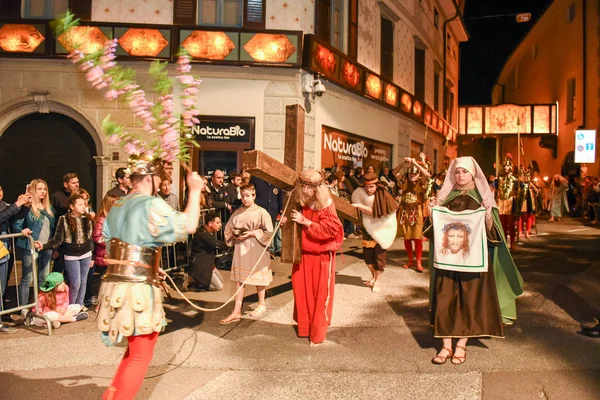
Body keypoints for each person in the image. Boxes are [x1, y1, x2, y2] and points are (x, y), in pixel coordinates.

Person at [97, 157, 204, 400]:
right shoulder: (149, 204)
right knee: (140, 355)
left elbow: (113, 243)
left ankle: (111, 396)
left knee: (134, 350)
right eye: (158, 179)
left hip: (115, 285)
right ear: (149, 179)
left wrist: (149, 265)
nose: (159, 183)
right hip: (136, 289)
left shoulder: (118, 205)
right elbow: (189, 225)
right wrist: (195, 190)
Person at [426, 156, 523, 365]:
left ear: (473, 174)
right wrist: (431, 213)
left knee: (469, 301)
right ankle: (445, 346)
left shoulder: (483, 198)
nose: (460, 176)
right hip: (448, 260)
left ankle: (461, 344)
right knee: (445, 299)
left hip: (474, 260)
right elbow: (434, 232)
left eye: (465, 172)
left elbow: (494, 236)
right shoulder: (446, 198)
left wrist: (488, 217)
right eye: (457, 172)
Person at [284, 170, 344, 346]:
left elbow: (331, 229)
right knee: (302, 293)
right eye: (302, 185)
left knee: (319, 295)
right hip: (303, 256)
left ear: (317, 188)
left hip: (321, 257)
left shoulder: (326, 203)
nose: (304, 189)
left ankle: (317, 334)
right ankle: (305, 329)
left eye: (308, 186)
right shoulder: (300, 200)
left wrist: (306, 222)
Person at [220, 184, 273, 324]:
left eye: (248, 196)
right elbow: (228, 228)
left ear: (254, 196)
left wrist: (252, 233)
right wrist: (233, 234)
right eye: (243, 196)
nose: (245, 199)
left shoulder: (262, 212)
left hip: (256, 247)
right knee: (240, 279)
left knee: (257, 276)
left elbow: (269, 232)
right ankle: (237, 311)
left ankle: (261, 303)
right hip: (241, 248)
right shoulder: (237, 212)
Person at [35, 193, 94, 307]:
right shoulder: (64, 219)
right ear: (72, 206)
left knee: (83, 282)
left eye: (84, 204)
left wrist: (93, 256)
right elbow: (57, 239)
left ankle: (79, 305)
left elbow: (90, 239)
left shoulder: (87, 219)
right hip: (71, 255)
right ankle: (71, 305)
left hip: (86, 254)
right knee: (75, 283)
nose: (83, 207)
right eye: (80, 204)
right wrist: (44, 245)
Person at [351, 172, 398, 293]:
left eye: (371, 187)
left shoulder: (383, 195)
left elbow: (374, 212)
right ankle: (374, 276)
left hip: (381, 230)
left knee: (379, 257)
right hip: (368, 229)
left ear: (376, 185)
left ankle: (377, 281)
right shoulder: (361, 193)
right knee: (368, 256)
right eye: (366, 186)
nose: (368, 189)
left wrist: (359, 206)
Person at [12, 179, 55, 309]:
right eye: (39, 189)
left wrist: (53, 246)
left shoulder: (49, 208)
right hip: (30, 247)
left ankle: (41, 306)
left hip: (46, 247)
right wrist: (22, 231)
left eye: (44, 189)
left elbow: (52, 229)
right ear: (33, 190)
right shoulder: (27, 208)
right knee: (27, 279)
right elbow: (16, 225)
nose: (43, 192)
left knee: (44, 278)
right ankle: (24, 309)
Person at [0, 189, 32, 334]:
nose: (0, 192)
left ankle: (3, 314)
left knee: (2, 286)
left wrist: (24, 207)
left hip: (5, 250)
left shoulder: (4, 204)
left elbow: (14, 217)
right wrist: (17, 203)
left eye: (0, 189)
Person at [394, 157, 430, 272]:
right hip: (405, 211)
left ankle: (418, 262)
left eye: (414, 174)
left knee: (417, 237)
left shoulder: (422, 182)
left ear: (418, 175)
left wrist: (415, 164)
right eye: (410, 174)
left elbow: (427, 174)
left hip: (416, 211)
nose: (412, 176)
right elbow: (394, 172)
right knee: (407, 237)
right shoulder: (404, 182)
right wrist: (403, 163)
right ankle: (410, 260)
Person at [88, 194, 118, 307]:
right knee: (105, 281)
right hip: (105, 254)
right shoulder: (102, 219)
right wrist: (111, 244)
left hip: (112, 254)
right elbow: (97, 237)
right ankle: (101, 304)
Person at [185, 213, 226, 292]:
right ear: (210, 223)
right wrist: (231, 241)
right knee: (219, 287)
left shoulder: (206, 232)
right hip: (200, 266)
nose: (220, 225)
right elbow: (220, 245)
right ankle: (193, 282)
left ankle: (198, 280)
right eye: (217, 223)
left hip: (207, 264)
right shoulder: (203, 235)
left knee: (221, 281)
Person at [50, 172, 79, 275]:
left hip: (75, 240)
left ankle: (67, 291)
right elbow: (53, 219)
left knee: (71, 273)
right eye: (73, 183)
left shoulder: (80, 196)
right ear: (66, 184)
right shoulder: (57, 197)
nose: (77, 185)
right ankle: (50, 291)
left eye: (77, 182)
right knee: (58, 269)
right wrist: (56, 247)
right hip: (62, 239)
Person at [251, 176, 283, 257]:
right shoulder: (256, 179)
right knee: (259, 233)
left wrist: (281, 210)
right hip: (258, 213)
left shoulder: (277, 182)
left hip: (272, 212)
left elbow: (280, 197)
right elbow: (250, 193)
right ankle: (261, 250)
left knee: (270, 232)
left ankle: (270, 250)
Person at [493, 155, 518, 251]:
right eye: (505, 166)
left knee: (511, 225)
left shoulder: (515, 179)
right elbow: (492, 187)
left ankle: (512, 243)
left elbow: (521, 189)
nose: (506, 168)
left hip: (510, 203)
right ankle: (503, 243)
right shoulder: (499, 178)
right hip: (500, 202)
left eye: (508, 166)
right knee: (502, 225)